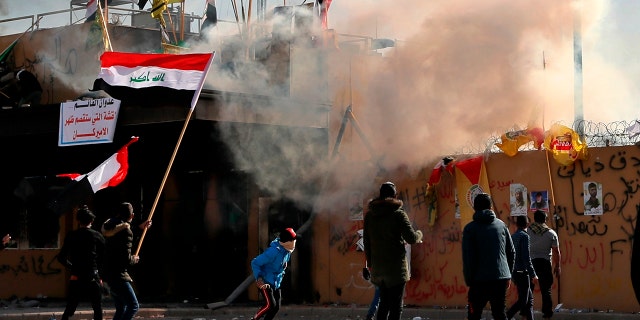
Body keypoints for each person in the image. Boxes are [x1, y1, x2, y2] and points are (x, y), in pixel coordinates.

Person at [363, 181, 423, 320]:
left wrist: (370, 264)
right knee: (396, 306)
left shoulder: (370, 216)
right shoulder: (398, 214)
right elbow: (412, 238)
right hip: (396, 270)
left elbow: (367, 242)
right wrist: (420, 233)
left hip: (378, 269)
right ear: (395, 195)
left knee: (384, 303)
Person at [462, 193, 515, 320]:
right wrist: (508, 275)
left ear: (474, 208)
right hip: (500, 278)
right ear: (491, 207)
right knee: (500, 314)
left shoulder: (470, 229)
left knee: (474, 315)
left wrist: (469, 280)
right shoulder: (501, 225)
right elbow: (511, 252)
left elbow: (467, 257)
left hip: (478, 281)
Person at [101, 202, 151, 320]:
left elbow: (123, 234)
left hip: (108, 273)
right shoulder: (126, 232)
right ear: (132, 216)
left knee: (121, 306)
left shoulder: (110, 227)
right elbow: (126, 259)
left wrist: (140, 228)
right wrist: (134, 259)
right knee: (133, 306)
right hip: (118, 275)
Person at [56, 206, 105, 320]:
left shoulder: (72, 235)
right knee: (97, 307)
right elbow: (103, 258)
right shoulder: (97, 236)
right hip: (93, 275)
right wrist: (100, 274)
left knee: (70, 307)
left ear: (78, 221)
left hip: (76, 275)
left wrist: (72, 267)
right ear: (92, 221)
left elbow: (61, 257)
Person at [250, 227, 299, 320]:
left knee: (276, 307)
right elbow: (255, 262)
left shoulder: (287, 251)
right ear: (287, 242)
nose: (295, 242)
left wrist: (283, 265)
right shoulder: (273, 251)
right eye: (293, 240)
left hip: (276, 282)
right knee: (270, 305)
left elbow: (281, 262)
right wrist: (259, 278)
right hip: (266, 282)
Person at [528, 210, 561, 320]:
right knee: (546, 290)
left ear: (535, 219)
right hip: (545, 263)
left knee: (529, 290)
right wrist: (557, 266)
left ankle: (526, 314)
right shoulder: (551, 233)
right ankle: (547, 315)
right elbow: (556, 252)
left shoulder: (528, 231)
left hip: (531, 263)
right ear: (545, 220)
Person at [506, 216, 538, 320]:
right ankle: (506, 316)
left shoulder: (513, 236)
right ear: (527, 225)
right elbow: (526, 257)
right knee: (524, 301)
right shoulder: (525, 236)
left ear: (516, 224)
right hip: (522, 272)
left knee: (529, 300)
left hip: (515, 272)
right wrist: (533, 274)